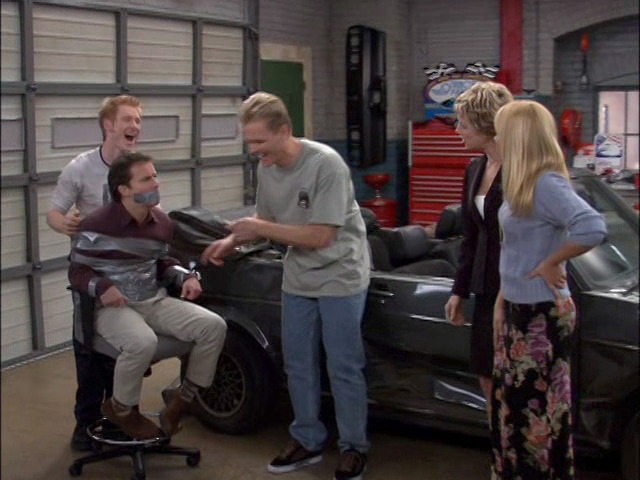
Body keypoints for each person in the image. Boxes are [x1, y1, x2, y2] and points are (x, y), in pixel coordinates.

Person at [201, 92, 371, 480]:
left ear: (285, 131)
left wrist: (258, 227)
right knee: (297, 363)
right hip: (298, 277)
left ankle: (353, 446)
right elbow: (266, 218)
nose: (254, 151)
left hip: (340, 274)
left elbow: (321, 236)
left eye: (260, 141)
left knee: (343, 365)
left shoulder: (327, 165)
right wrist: (232, 241)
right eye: (249, 142)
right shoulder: (268, 166)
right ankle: (308, 438)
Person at [68, 152, 227, 440]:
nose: (156, 183)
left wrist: (187, 276)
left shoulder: (162, 223)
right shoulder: (96, 224)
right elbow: (77, 271)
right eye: (146, 179)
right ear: (124, 189)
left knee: (213, 326)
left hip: (152, 299)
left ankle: (182, 400)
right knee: (142, 342)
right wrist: (102, 287)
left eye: (155, 176)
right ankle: (121, 409)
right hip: (112, 308)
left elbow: (163, 261)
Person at [490, 100, 606, 480]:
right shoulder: (522, 182)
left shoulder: (546, 183)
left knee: (536, 417)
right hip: (520, 307)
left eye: (501, 133)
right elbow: (516, 250)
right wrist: (502, 298)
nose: (496, 139)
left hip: (542, 312)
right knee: (514, 410)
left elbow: (592, 226)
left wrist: (554, 261)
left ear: (518, 138)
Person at [46, 95, 143, 450]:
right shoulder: (80, 168)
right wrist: (64, 224)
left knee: (127, 348)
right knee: (88, 349)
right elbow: (54, 213)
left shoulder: (138, 168)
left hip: (130, 273)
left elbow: (154, 212)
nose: (135, 126)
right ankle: (86, 426)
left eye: (138, 120)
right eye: (128, 119)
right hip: (89, 274)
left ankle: (121, 417)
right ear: (108, 125)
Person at [444, 81, 513, 402]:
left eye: (464, 124)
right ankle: (496, 434)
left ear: (487, 125)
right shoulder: (475, 169)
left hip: (517, 289)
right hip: (485, 289)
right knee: (486, 376)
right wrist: (459, 290)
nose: (458, 130)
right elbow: (470, 236)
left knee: (512, 382)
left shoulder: (521, 169)